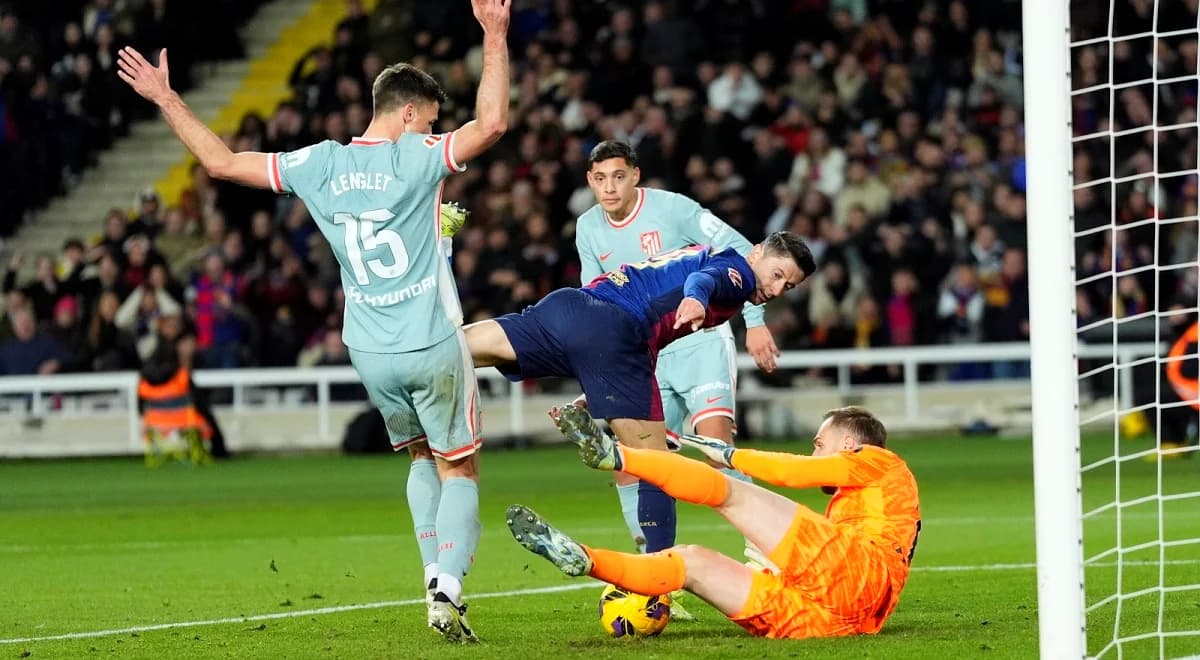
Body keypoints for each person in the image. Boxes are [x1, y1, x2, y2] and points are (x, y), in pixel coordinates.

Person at [116, 0, 512, 643]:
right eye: (429, 121)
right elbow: (491, 123)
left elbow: (220, 163)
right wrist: (494, 34)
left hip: (367, 348)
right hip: (431, 339)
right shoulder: (414, 158)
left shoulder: (319, 162)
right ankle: (449, 584)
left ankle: (429, 571)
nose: (430, 132)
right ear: (408, 113)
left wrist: (165, 98)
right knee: (458, 468)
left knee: (416, 456)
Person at [466, 232, 814, 561]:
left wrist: (596, 385)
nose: (777, 288)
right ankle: (656, 584)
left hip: (571, 306)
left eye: (789, 285)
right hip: (617, 331)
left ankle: (417, 350)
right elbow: (706, 281)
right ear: (756, 253)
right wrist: (695, 298)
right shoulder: (739, 273)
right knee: (657, 466)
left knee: (465, 347)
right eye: (777, 274)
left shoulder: (702, 253)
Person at [573, 140, 782, 611]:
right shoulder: (587, 227)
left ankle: (770, 557)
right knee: (635, 467)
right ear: (590, 180)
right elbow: (593, 298)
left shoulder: (673, 209)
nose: (610, 187)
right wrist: (596, 368)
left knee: (716, 454)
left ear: (635, 176)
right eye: (600, 178)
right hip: (644, 352)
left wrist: (755, 322)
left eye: (619, 176)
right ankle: (656, 574)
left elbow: (745, 251)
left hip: (700, 342)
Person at [509, 404, 921, 639]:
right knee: (691, 564)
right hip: (838, 623)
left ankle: (616, 456)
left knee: (729, 491)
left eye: (820, 444)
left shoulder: (878, 461)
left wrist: (731, 455)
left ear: (847, 446)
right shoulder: (865, 500)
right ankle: (587, 559)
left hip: (859, 573)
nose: (815, 454)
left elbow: (795, 473)